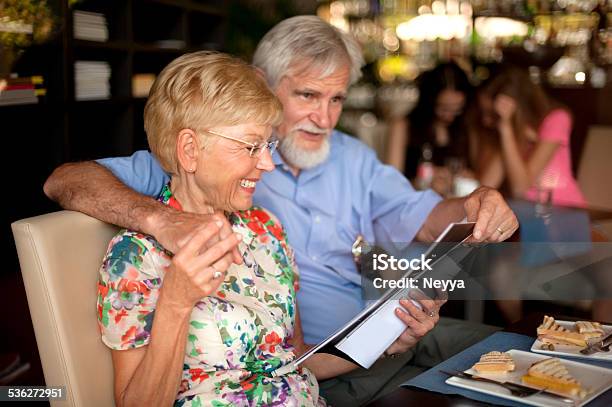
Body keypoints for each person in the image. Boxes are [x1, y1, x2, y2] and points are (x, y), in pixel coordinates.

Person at [45, 16, 518, 406]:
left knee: (515, 361)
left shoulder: (276, 220)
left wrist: (478, 206)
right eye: (308, 96)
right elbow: (65, 180)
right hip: (340, 381)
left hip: (353, 347)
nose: (326, 117)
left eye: (336, 99)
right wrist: (161, 230)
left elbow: (290, 361)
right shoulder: (166, 193)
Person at [96, 51, 357, 406]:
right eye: (251, 146)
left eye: (267, 145)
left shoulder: (266, 228)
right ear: (189, 150)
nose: (267, 163)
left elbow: (293, 359)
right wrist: (176, 302)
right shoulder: (136, 256)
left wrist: (386, 340)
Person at [470, 65, 586, 207]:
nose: (485, 121)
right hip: (528, 212)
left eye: (492, 115)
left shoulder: (557, 119)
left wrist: (506, 128)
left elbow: (520, 189)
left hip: (562, 210)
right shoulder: (510, 135)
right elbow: (486, 185)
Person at [386, 62, 473, 195]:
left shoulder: (466, 126)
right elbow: (390, 183)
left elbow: (478, 177)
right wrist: (421, 182)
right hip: (413, 204)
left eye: (457, 109)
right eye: (443, 108)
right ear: (429, 101)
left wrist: (463, 177)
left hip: (456, 205)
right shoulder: (403, 126)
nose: (449, 116)